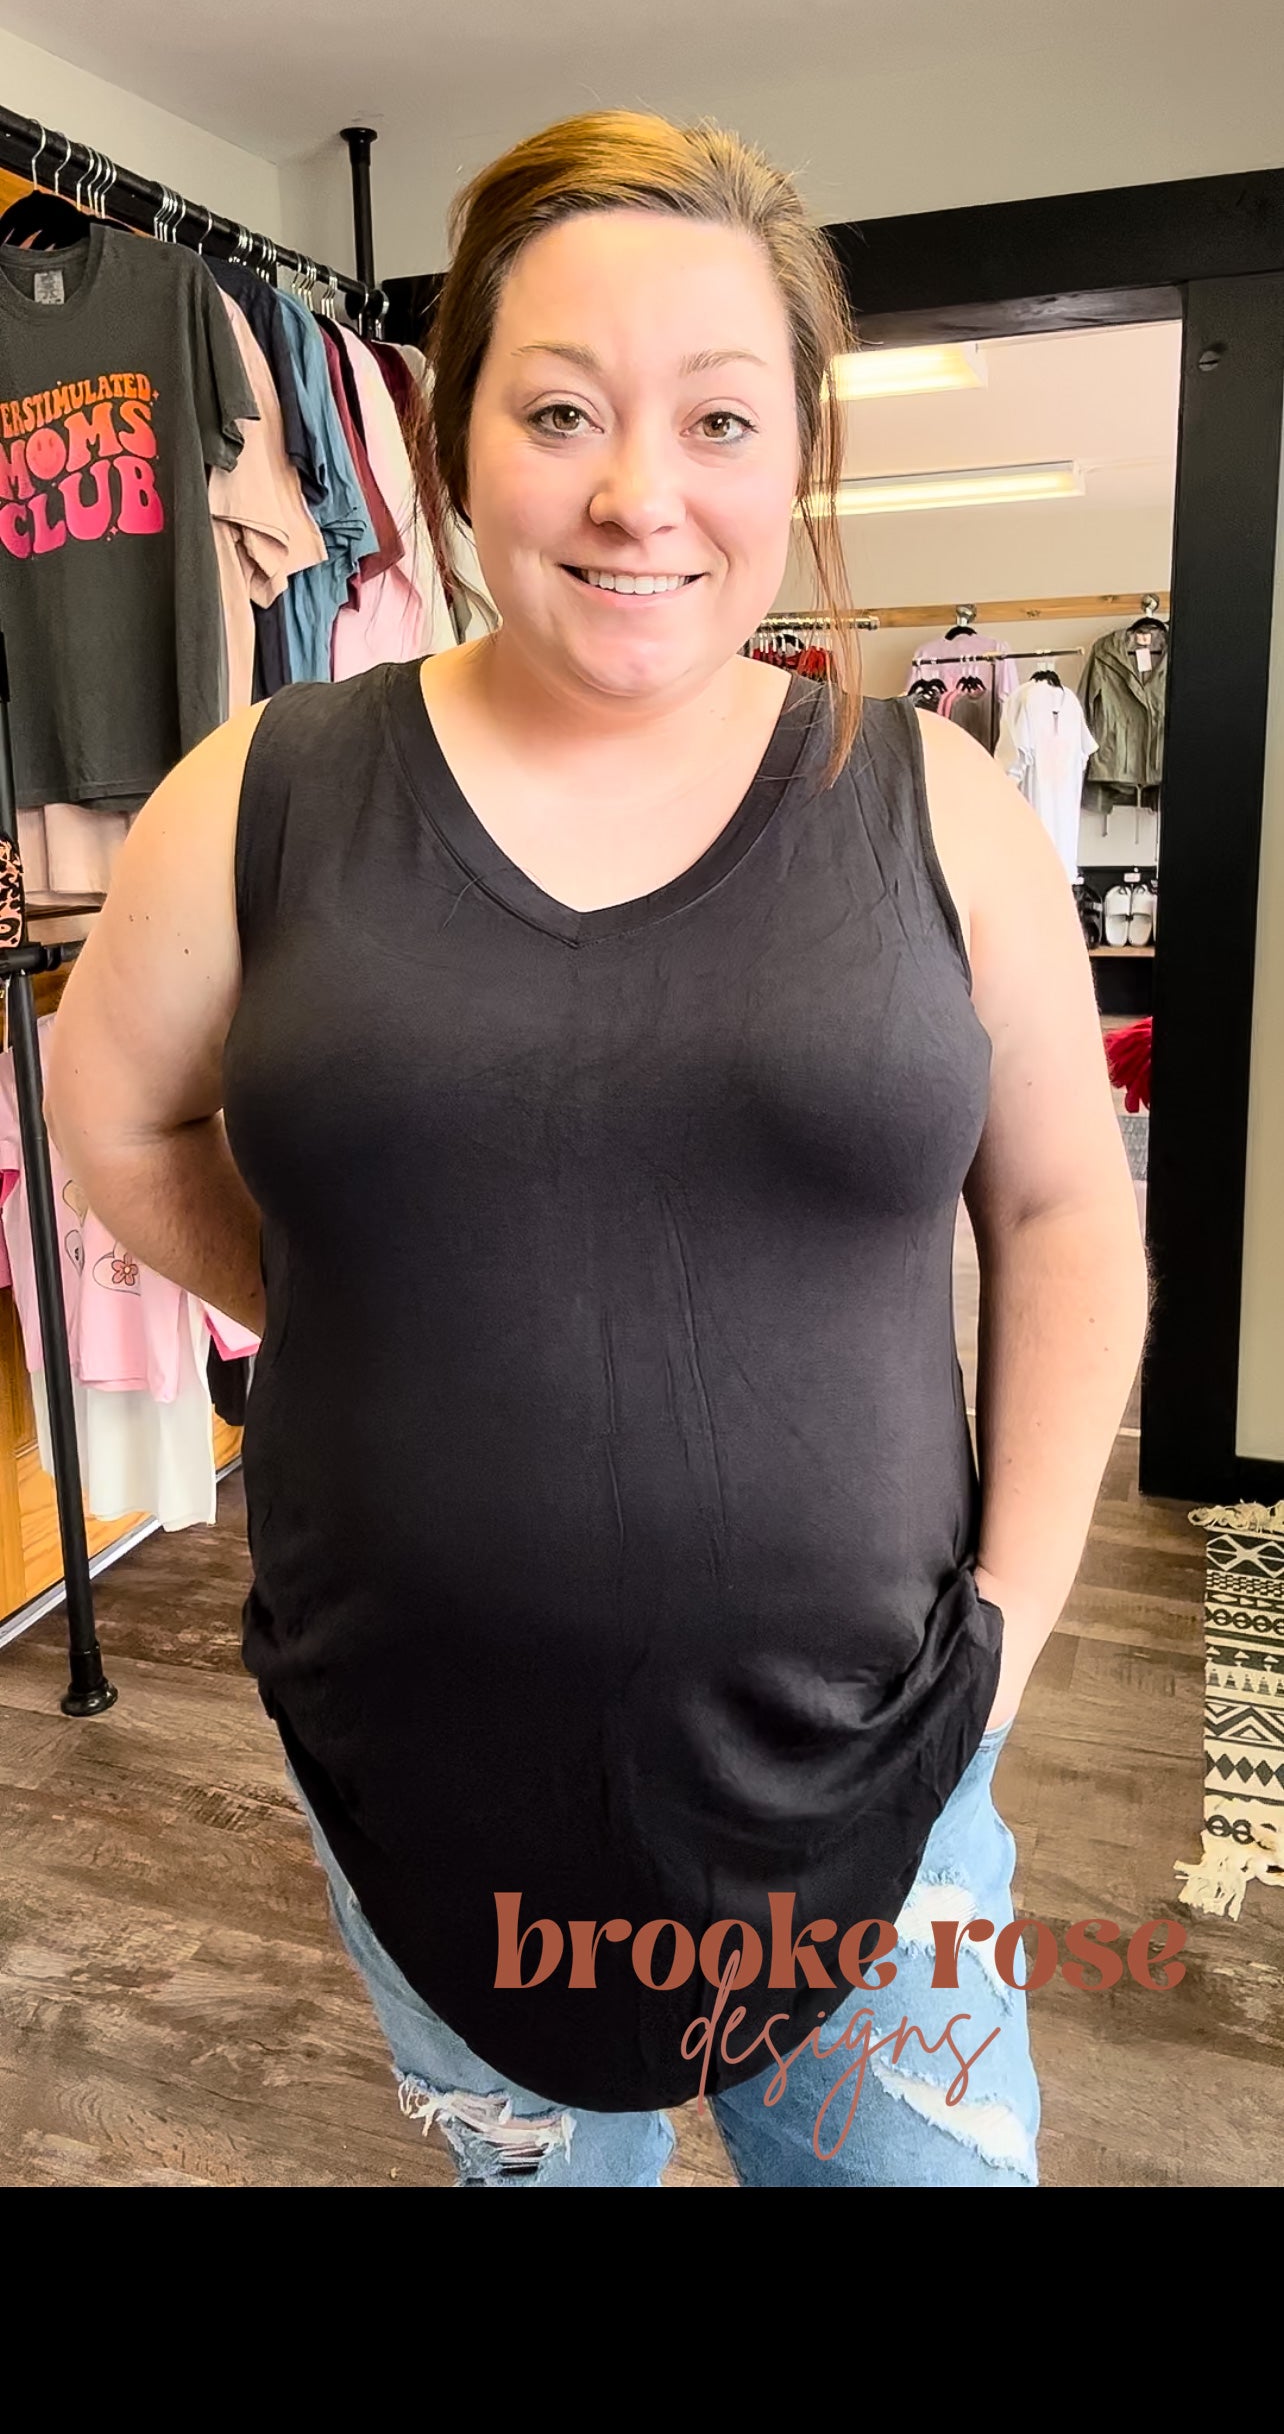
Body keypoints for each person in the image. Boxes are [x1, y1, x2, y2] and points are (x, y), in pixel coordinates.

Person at [46, 113, 1152, 2189]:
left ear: (795, 453)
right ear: (450, 441)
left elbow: (1065, 1207)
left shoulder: (936, 805)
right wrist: (361, 1311)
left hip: (887, 1777)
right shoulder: (261, 794)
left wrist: (1010, 1627)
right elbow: (111, 1106)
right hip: (424, 1781)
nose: (641, 492)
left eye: (718, 418)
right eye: (559, 410)